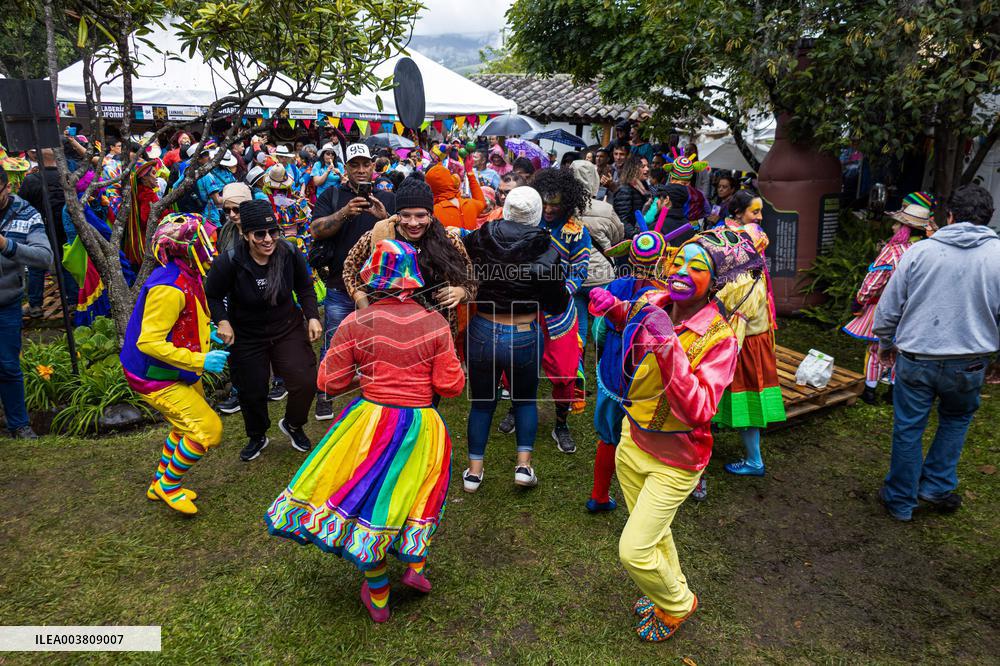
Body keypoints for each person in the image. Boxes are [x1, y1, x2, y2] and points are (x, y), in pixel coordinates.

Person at [265, 239, 465, 624]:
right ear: (411, 279)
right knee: (416, 493)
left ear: (371, 279)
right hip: (422, 424)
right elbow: (451, 386)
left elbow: (330, 381)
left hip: (370, 422)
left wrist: (364, 369)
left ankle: (378, 592)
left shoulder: (356, 323)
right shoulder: (435, 323)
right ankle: (416, 569)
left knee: (369, 499)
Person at [588, 227, 762, 641]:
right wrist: (612, 307)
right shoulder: (653, 300)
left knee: (633, 550)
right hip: (633, 441)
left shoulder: (721, 339)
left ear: (715, 281)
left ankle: (679, 604)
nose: (681, 271)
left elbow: (700, 408)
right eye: (679, 261)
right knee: (654, 533)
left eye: (696, 267)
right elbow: (631, 318)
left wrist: (668, 346)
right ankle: (666, 591)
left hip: (677, 459)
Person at [873, 184, 1000, 522]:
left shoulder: (919, 252)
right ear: (989, 218)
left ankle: (900, 501)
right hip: (970, 361)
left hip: (917, 358)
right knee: (956, 420)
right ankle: (935, 486)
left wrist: (886, 344)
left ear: (950, 216)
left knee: (909, 427)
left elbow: (888, 309)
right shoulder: (998, 256)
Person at [462, 187, 570, 491]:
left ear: (506, 208)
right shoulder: (547, 248)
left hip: (483, 328)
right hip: (523, 332)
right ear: (536, 213)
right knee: (524, 401)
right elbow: (557, 303)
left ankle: (474, 472)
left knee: (482, 403)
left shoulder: (479, 237)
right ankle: (523, 467)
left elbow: (460, 265)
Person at [119, 213, 225, 515]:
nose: (214, 249)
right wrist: (201, 359)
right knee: (207, 429)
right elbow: (148, 342)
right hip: (156, 376)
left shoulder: (186, 274)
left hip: (176, 370)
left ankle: (158, 483)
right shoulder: (169, 286)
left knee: (184, 426)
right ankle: (168, 485)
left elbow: (185, 317)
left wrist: (207, 332)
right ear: (191, 247)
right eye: (210, 242)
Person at [205, 200, 322, 462]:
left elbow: (305, 287)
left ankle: (293, 424)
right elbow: (212, 295)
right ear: (246, 235)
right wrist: (222, 321)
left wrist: (312, 317)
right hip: (247, 334)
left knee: (304, 379)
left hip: (287, 327)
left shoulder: (289, 252)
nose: (268, 239)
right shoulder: (230, 261)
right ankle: (257, 434)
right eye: (260, 234)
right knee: (252, 389)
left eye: (273, 232)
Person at [496, 168, 591, 452]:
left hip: (559, 314)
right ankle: (515, 409)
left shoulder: (576, 232)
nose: (549, 209)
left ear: (568, 203)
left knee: (564, 371)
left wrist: (563, 292)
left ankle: (561, 424)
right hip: (524, 309)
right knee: (516, 365)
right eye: (545, 203)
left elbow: (580, 270)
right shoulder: (526, 223)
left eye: (556, 204)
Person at [309, 143, 395, 420]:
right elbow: (316, 230)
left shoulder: (386, 198)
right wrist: (344, 213)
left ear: (373, 166)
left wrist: (384, 219)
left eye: (365, 164)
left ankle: (376, 391)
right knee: (335, 341)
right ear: (346, 168)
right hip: (338, 286)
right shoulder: (333, 195)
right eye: (354, 165)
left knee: (378, 342)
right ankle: (326, 394)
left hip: (378, 287)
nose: (360, 170)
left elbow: (404, 237)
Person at [587, 231, 668, 512]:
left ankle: (599, 495)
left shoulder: (615, 286)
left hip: (612, 371)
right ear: (661, 260)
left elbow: (598, 332)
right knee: (644, 438)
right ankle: (643, 505)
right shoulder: (665, 295)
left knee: (609, 436)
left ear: (629, 259)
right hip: (645, 378)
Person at [341, 178, 476, 340]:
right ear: (398, 215)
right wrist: (365, 306)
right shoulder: (379, 236)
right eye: (406, 215)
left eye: (420, 216)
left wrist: (460, 292)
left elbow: (471, 278)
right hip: (389, 331)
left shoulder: (448, 240)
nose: (413, 223)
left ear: (430, 215)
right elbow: (350, 271)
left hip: (437, 333)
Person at [709, 205, 785, 482]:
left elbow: (734, 317)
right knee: (736, 394)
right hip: (755, 340)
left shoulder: (742, 277)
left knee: (746, 396)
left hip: (745, 344)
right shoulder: (755, 269)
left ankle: (754, 460)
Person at [843, 193, 934, 405]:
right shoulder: (929, 251)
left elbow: (873, 281)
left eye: (896, 224)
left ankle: (870, 390)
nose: (893, 228)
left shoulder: (893, 251)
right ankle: (893, 392)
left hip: (887, 307)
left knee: (877, 349)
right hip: (915, 311)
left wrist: (860, 300)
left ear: (906, 228)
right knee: (902, 350)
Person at [0, 170, 52, 439]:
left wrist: (6, 245)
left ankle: (19, 424)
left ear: (8, 187)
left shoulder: (25, 213)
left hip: (6, 302)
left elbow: (44, 258)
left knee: (7, 365)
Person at [569, 159, 624, 351]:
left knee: (579, 325)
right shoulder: (606, 209)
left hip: (574, 275)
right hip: (602, 274)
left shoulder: (562, 209)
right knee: (603, 324)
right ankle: (603, 359)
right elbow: (619, 235)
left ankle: (577, 364)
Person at [18, 148, 69, 318]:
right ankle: (74, 298)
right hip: (64, 226)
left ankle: (35, 305)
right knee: (66, 262)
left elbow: (21, 204)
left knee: (36, 266)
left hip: (39, 228)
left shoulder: (31, 180)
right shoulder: (67, 177)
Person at [426, 160, 486, 232]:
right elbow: (482, 202)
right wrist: (470, 173)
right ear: (451, 181)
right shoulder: (470, 204)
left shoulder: (433, 213)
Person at [196, 148, 238, 226]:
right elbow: (217, 200)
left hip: (221, 209)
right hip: (214, 212)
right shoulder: (207, 175)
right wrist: (234, 197)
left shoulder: (226, 171)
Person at [613, 156, 651, 239]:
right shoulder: (625, 190)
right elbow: (622, 219)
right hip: (632, 238)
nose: (647, 169)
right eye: (643, 166)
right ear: (633, 169)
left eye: (648, 166)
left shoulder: (645, 187)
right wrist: (634, 235)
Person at [666, 156, 708, 226]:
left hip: (670, 229)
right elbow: (707, 211)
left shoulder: (666, 192)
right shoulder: (698, 194)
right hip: (692, 230)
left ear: (671, 177)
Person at [216, 182, 253, 253]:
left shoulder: (262, 227)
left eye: (236, 209)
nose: (232, 214)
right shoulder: (227, 227)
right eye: (227, 210)